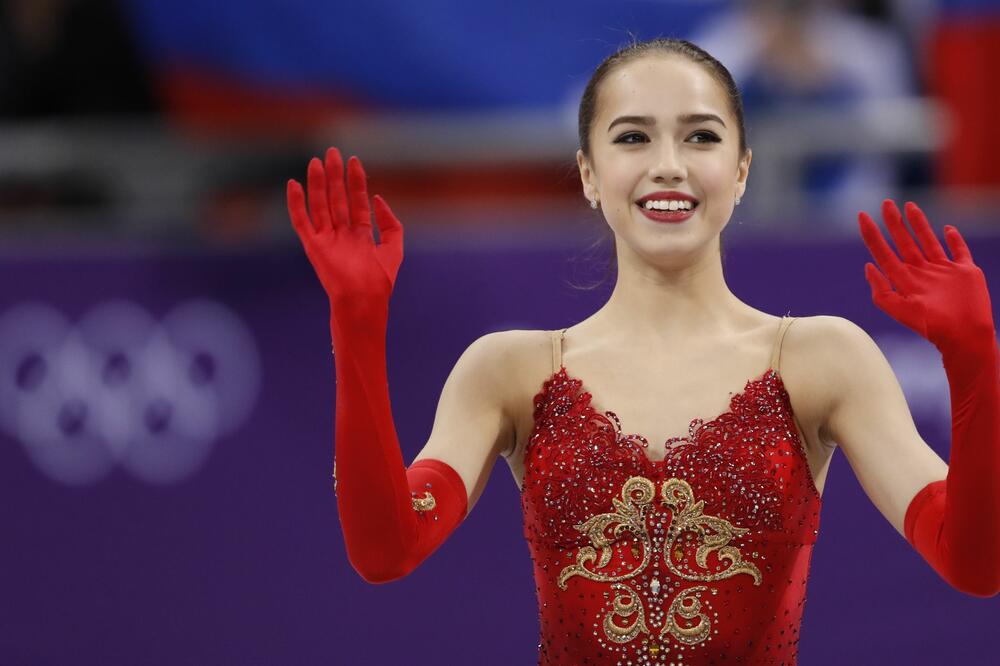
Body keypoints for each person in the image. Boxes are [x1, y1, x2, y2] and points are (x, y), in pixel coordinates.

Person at [286, 38, 1000, 665]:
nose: (668, 166)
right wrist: (356, 322)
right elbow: (385, 550)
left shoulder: (821, 358)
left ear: (742, 169)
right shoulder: (508, 370)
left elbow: (974, 563)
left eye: (700, 137)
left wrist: (976, 363)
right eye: (632, 138)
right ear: (589, 174)